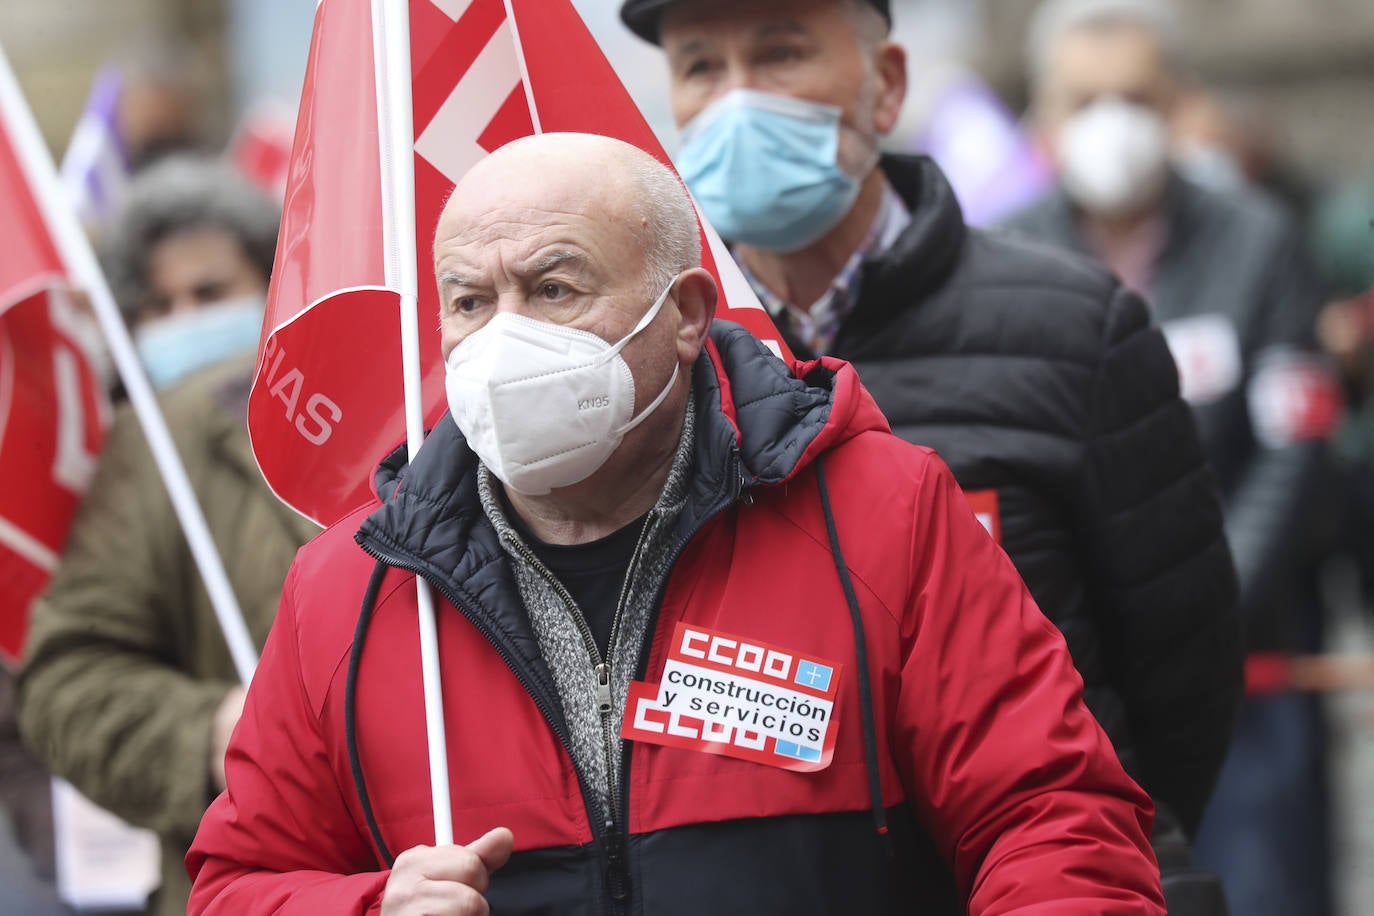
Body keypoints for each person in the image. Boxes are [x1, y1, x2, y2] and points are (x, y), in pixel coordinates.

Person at [186, 132, 1165, 915]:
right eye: (470, 300)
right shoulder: (348, 590)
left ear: (687, 313)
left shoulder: (880, 514)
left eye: (553, 288)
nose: (502, 337)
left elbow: (1052, 818)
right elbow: (237, 883)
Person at [620, 0, 1239, 907]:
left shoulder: (1072, 329)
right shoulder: (666, 360)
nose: (738, 103)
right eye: (702, 68)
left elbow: (1184, 669)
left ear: (887, 86)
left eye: (782, 53)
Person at [1003, 2, 1340, 914]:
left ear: (1178, 102)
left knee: (1271, 880)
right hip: (1075, 665)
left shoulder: (1256, 238)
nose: (1112, 121)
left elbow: (1294, 435)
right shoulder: (1006, 258)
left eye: (1135, 96)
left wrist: (1207, 601)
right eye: (1086, 99)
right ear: (1043, 115)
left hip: (1253, 646)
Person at [17, 156, 318, 916]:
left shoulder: (388, 401)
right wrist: (214, 731)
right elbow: (68, 682)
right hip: (256, 882)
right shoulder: (145, 449)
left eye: (211, 293)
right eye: (157, 304)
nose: (187, 320)